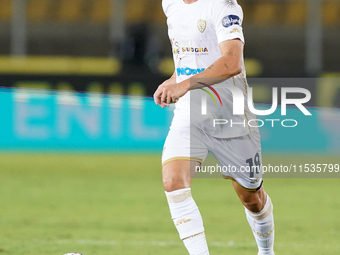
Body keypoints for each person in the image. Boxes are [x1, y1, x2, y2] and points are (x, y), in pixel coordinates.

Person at [153, 0, 275, 254]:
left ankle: (266, 252)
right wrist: (174, 79)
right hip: (190, 114)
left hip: (230, 117)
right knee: (173, 181)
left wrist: (183, 85)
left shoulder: (223, 6)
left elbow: (232, 63)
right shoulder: (170, 4)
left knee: (251, 198)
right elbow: (188, 58)